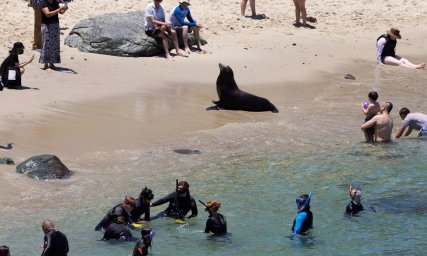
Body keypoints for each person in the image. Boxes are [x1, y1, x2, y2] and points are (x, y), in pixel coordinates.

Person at [39, 0, 68, 70]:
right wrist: (59, 9)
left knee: (54, 44)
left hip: (55, 25)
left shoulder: (55, 2)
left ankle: (51, 63)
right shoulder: (43, 2)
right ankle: (45, 63)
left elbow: (60, 12)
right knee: (46, 44)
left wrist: (64, 9)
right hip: (46, 25)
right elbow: (47, 14)